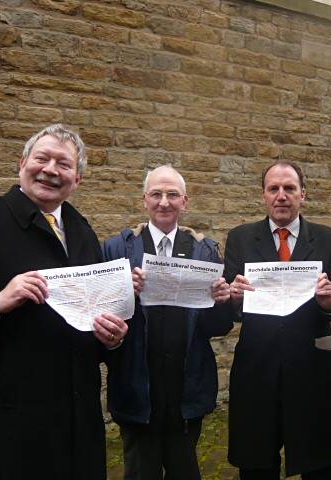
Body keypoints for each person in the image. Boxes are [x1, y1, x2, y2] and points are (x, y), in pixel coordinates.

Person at [0, 124, 127, 479]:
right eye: (42, 158)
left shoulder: (82, 231)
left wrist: (110, 337)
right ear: (22, 163)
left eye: (64, 164)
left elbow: (91, 309)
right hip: (12, 415)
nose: (51, 169)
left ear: (76, 180)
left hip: (78, 412)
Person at [102, 165, 232, 480]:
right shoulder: (117, 248)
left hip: (186, 386)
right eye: (156, 194)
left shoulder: (206, 251)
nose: (164, 202)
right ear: (144, 199)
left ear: (184, 202)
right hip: (137, 386)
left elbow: (217, 327)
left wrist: (220, 301)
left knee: (184, 468)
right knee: (140, 471)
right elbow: (101, 316)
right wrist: (123, 292)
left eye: (172, 195)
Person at [224, 160, 331, 479]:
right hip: (256, 368)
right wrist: (234, 297)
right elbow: (230, 304)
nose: (281, 195)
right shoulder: (239, 238)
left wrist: (330, 300)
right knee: (256, 464)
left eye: (289, 188)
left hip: (312, 369)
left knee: (320, 462)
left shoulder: (330, 240)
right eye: (274, 189)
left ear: (302, 194)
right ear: (264, 196)